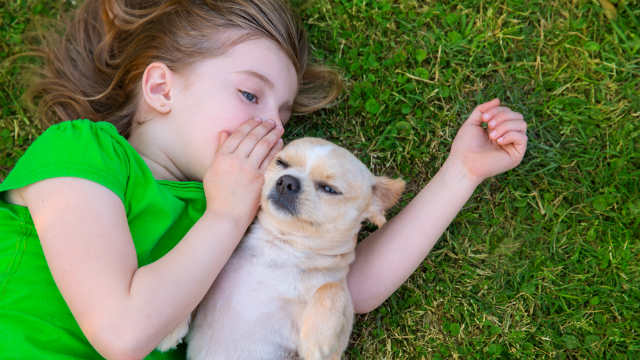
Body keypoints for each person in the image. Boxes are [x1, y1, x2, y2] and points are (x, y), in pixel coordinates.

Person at [0, 0, 527, 359]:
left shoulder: (242, 204)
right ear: (161, 88)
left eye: (283, 116)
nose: (272, 127)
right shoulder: (82, 154)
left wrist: (462, 172)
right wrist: (225, 215)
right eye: (250, 95)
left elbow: (347, 284)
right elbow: (123, 331)